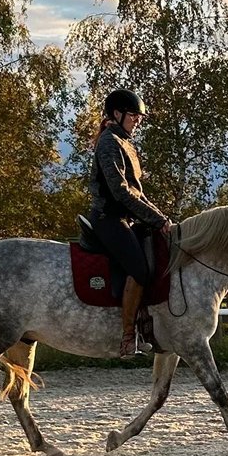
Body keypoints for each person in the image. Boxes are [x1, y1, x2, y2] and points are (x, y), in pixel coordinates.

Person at [89, 88, 173, 357]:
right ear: (117, 113)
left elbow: (138, 193)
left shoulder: (124, 142)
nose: (138, 120)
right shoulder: (108, 143)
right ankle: (127, 338)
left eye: (139, 116)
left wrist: (160, 218)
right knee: (140, 269)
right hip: (109, 218)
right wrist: (155, 218)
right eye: (134, 115)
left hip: (126, 217)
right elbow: (120, 192)